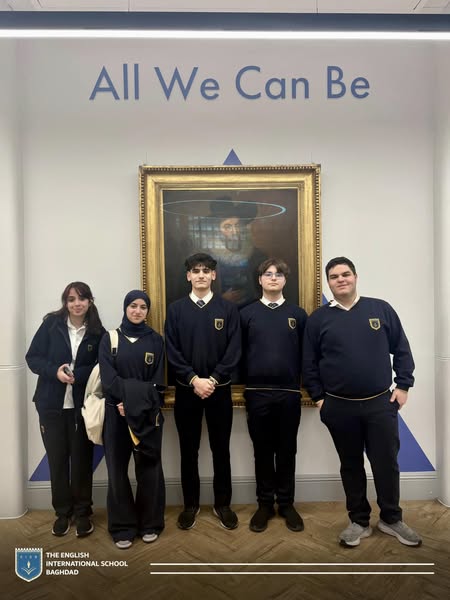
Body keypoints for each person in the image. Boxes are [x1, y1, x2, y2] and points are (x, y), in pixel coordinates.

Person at [302, 257, 422, 547]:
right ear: (328, 283)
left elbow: (402, 349)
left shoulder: (380, 309)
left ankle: (391, 519)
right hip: (338, 407)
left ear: (355, 277)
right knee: (351, 464)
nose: (340, 279)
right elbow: (308, 363)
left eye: (345, 274)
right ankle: (359, 521)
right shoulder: (318, 319)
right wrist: (319, 398)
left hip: (380, 404)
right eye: (334, 276)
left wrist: (403, 385)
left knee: (386, 463)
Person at [165, 252, 241, 530]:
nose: (200, 275)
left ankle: (223, 505)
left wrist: (214, 379)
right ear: (188, 276)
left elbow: (234, 349)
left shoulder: (228, 309)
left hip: (219, 391)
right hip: (187, 391)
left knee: (221, 450)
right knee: (188, 450)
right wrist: (194, 379)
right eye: (195, 271)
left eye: (206, 271)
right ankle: (190, 505)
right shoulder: (176, 310)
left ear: (213, 275)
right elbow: (171, 350)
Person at [26, 282, 104, 537]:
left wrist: (78, 374)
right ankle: (62, 513)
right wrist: (55, 372)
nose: (76, 304)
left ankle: (83, 513)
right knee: (57, 462)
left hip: (82, 408)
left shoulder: (98, 332)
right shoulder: (51, 324)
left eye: (82, 299)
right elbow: (33, 358)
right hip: (51, 406)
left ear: (90, 301)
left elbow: (101, 366)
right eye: (71, 299)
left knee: (82, 462)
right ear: (65, 302)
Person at [240, 259, 307, 533]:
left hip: (289, 394)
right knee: (263, 451)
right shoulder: (246, 314)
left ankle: (287, 504)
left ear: (285, 280)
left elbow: (307, 354)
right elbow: (238, 353)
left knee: (287, 450)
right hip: (257, 394)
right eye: (268, 274)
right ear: (260, 280)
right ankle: (265, 504)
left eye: (279, 274)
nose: (273, 278)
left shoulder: (298, 314)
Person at [99, 290, 166, 549]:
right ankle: (122, 527)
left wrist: (133, 404)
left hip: (147, 415)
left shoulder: (156, 341)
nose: (137, 311)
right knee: (117, 470)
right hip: (116, 414)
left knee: (150, 468)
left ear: (147, 311)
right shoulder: (109, 339)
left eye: (142, 307)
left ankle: (150, 524)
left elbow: (158, 383)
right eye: (133, 306)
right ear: (125, 308)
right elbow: (109, 380)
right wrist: (124, 403)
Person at [207, 199, 266, 307]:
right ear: (217, 230)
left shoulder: (257, 255)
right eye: (227, 226)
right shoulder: (206, 257)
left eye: (237, 225)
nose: (235, 231)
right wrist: (220, 299)